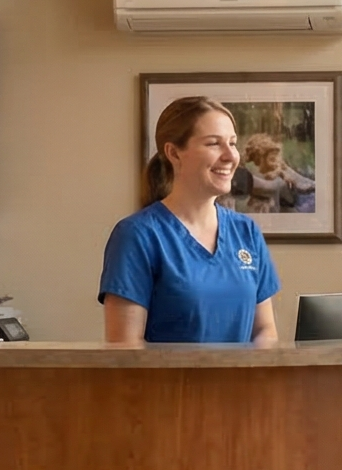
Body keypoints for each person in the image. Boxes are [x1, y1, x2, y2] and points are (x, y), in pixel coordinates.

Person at [102, 96, 282, 345]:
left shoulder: (246, 231)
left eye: (232, 143)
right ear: (174, 153)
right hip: (169, 385)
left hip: (241, 385)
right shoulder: (137, 235)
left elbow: (264, 331)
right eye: (213, 144)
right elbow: (125, 348)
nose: (231, 156)